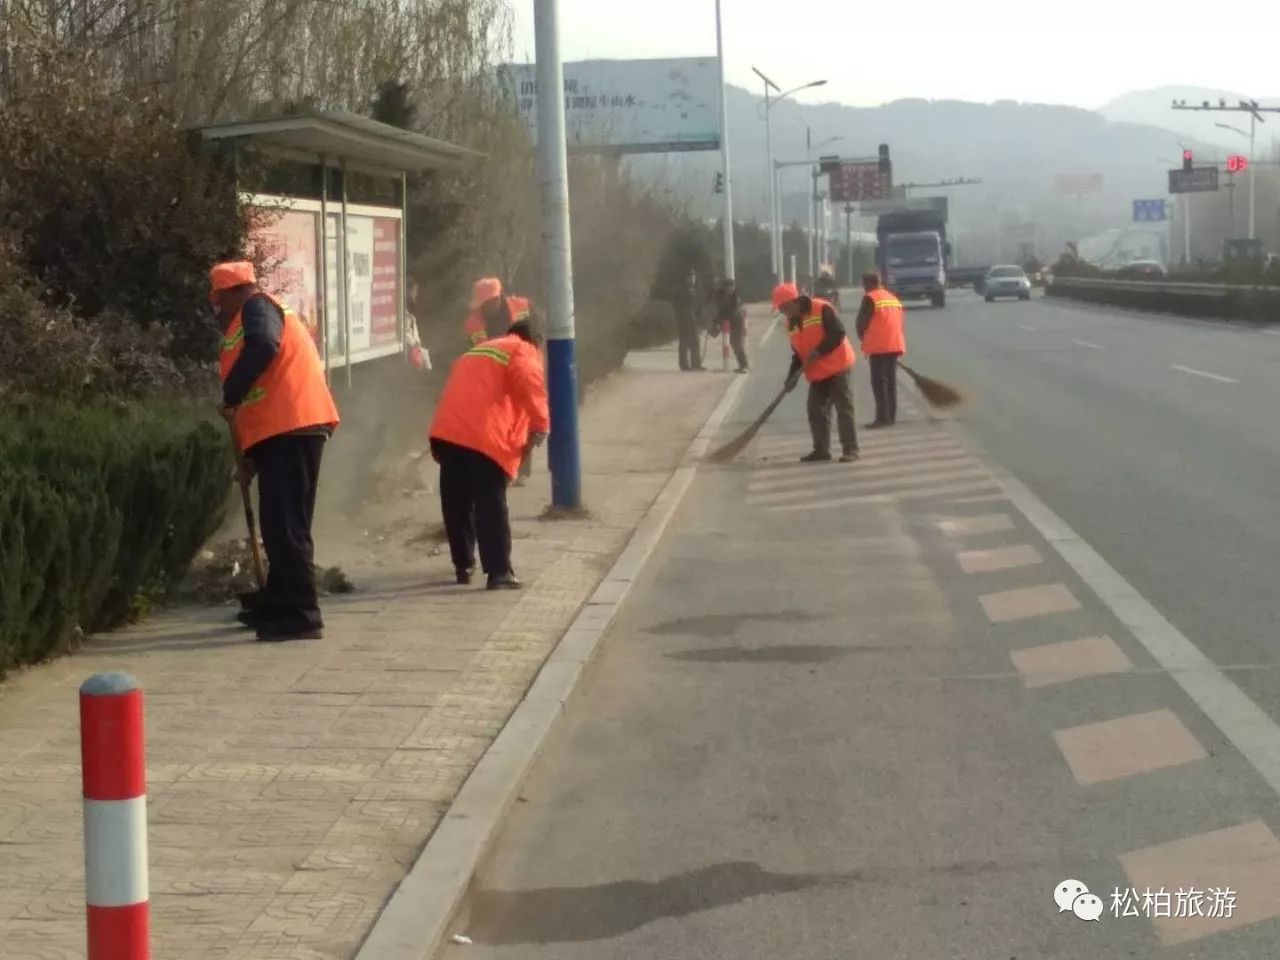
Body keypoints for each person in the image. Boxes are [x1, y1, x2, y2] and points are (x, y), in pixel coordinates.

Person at [213, 260, 340, 642]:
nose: (218, 310)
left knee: (287, 526)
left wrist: (231, 394)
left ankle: (302, 614)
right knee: (277, 523)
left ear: (234, 292)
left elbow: (265, 347)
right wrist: (250, 458)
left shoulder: (258, 307)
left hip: (293, 425)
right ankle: (278, 602)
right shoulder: (255, 313)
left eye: (219, 301)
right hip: (280, 430)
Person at [429, 319, 550, 590]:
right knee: (490, 504)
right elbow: (529, 382)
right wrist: (541, 425)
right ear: (535, 341)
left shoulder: (478, 350)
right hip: (484, 436)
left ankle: (463, 565)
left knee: (456, 502)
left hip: (448, 432)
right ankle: (499, 572)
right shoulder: (521, 350)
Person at [774, 282, 859, 463]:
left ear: (793, 302)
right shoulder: (791, 323)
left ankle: (851, 449)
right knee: (815, 410)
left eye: (783, 308)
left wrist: (819, 351)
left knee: (844, 408)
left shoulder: (821, 308)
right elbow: (798, 354)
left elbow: (838, 333)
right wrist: (791, 378)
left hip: (838, 366)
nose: (782, 312)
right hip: (818, 372)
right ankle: (821, 450)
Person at [464, 277, 537, 483]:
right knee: (500, 420)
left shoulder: (523, 306)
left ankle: (520, 468)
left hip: (524, 368)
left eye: (486, 304)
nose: (484, 309)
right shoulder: (474, 323)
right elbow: (476, 352)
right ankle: (502, 464)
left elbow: (539, 330)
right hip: (494, 374)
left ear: (497, 299)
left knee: (523, 420)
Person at [854, 272, 906, 428]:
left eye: (864, 284)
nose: (863, 288)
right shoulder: (891, 297)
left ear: (869, 284)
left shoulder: (870, 298)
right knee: (891, 382)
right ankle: (891, 416)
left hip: (879, 346)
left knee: (879, 382)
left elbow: (861, 322)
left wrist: (863, 337)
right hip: (895, 344)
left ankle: (882, 417)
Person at [711, 278, 748, 372]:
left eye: (732, 286)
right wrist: (717, 321)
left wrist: (739, 312)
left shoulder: (736, 296)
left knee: (736, 343)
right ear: (724, 287)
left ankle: (743, 365)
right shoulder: (719, 295)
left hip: (736, 322)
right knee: (732, 343)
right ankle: (741, 365)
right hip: (725, 321)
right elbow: (717, 309)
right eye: (728, 287)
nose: (730, 289)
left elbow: (738, 310)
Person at [674, 269, 704, 371]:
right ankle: (684, 365)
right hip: (684, 319)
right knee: (684, 342)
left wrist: (700, 318)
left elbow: (698, 305)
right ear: (686, 278)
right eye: (690, 276)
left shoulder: (695, 289)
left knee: (695, 341)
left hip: (694, 319)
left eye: (693, 276)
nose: (692, 279)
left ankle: (696, 364)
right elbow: (677, 305)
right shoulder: (681, 290)